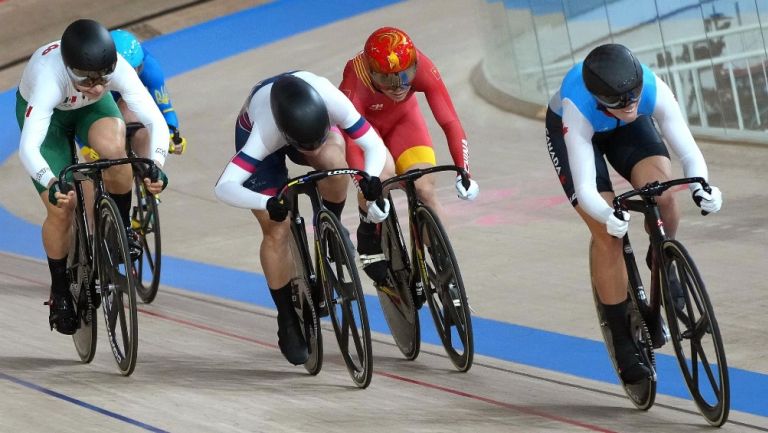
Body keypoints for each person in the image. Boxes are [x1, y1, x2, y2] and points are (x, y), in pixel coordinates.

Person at [545, 43, 723, 384]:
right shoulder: (578, 107)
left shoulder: (648, 90)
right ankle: (622, 338)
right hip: (579, 137)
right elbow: (586, 189)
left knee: (665, 193)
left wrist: (703, 186)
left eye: (633, 96)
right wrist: (606, 212)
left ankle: (663, 257)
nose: (630, 105)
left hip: (625, 131)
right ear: (600, 99)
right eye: (619, 101)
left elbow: (689, 151)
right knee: (607, 233)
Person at [214, 71, 388, 366]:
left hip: (307, 121)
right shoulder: (265, 135)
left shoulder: (332, 99)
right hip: (264, 131)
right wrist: (266, 202)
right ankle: (287, 318)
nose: (315, 148)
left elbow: (373, 145)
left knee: (333, 161)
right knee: (275, 229)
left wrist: (371, 180)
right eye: (309, 146)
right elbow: (225, 187)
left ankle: (330, 224)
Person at [15, 19, 170, 335]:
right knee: (61, 207)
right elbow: (29, 149)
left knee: (117, 152)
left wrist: (156, 164)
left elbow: (154, 120)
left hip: (91, 111)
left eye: (104, 77)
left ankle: (121, 229)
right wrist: (51, 181)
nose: (98, 86)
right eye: (86, 79)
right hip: (51, 124)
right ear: (70, 69)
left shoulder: (117, 70)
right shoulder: (48, 79)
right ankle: (59, 289)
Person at [339, 26, 479, 299]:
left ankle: (444, 268)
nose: (399, 86)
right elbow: (353, 142)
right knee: (383, 176)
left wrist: (464, 170)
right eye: (387, 79)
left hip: (405, 122)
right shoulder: (354, 79)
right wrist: (366, 189)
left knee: (424, 188)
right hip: (366, 132)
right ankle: (368, 232)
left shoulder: (424, 66)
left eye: (405, 76)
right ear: (370, 72)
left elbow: (450, 121)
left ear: (414, 63)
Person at [80, 29, 187, 160]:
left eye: (137, 69)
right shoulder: (94, 74)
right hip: (108, 96)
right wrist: (85, 147)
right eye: (127, 71)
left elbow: (166, 109)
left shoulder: (152, 70)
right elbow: (78, 114)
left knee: (134, 113)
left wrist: (171, 134)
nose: (133, 75)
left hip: (128, 103)